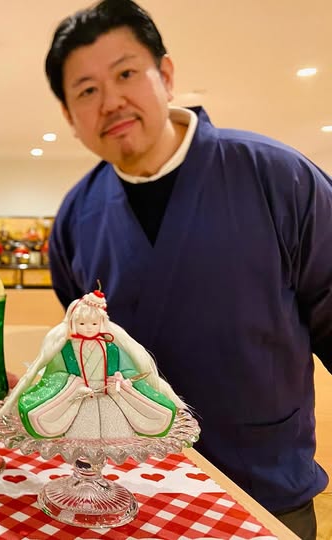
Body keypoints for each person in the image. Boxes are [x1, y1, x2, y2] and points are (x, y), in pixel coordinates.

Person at [44, 1, 332, 538]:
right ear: (70, 118)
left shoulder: (277, 177)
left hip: (265, 489)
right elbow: (88, 349)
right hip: (126, 496)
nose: (111, 101)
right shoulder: (75, 219)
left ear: (167, 75)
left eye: (126, 74)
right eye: (86, 91)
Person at [3, 289, 182, 440]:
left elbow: (128, 371)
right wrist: (73, 385)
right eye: (82, 323)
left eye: (94, 323)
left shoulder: (111, 349)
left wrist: (120, 381)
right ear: (73, 323)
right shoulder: (65, 350)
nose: (88, 328)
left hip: (109, 397)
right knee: (76, 434)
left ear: (102, 323)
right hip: (77, 398)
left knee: (116, 434)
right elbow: (54, 375)